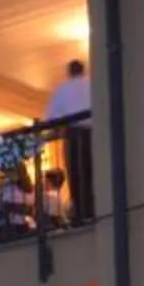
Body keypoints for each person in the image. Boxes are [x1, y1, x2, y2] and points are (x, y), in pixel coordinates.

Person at [45, 58, 92, 223]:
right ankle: (94, 210)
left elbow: (52, 119)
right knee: (92, 173)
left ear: (69, 72)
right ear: (83, 70)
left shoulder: (63, 89)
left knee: (77, 174)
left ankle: (81, 213)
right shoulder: (93, 85)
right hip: (95, 135)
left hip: (74, 135)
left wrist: (52, 133)